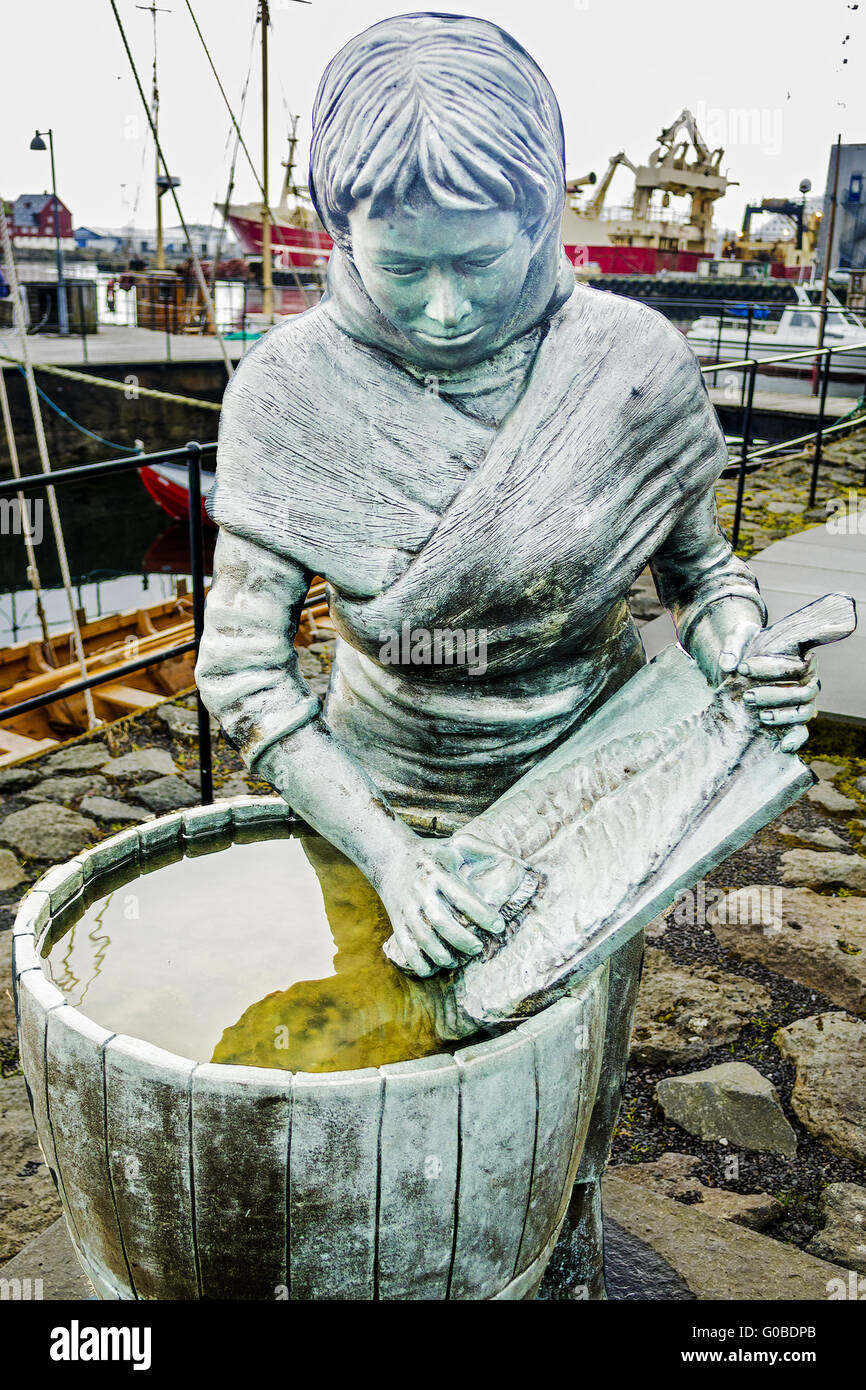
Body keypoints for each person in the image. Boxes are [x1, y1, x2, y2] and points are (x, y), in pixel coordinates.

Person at [196, 12, 818, 1297]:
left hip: (600, 780)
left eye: (478, 263)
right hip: (383, 797)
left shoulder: (628, 364)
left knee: (576, 1056)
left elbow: (703, 574)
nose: (439, 307)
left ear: (543, 220)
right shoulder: (289, 393)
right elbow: (246, 673)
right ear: (335, 225)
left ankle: (561, 1260)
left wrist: (745, 644)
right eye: (400, 265)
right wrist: (394, 856)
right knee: (404, 1064)